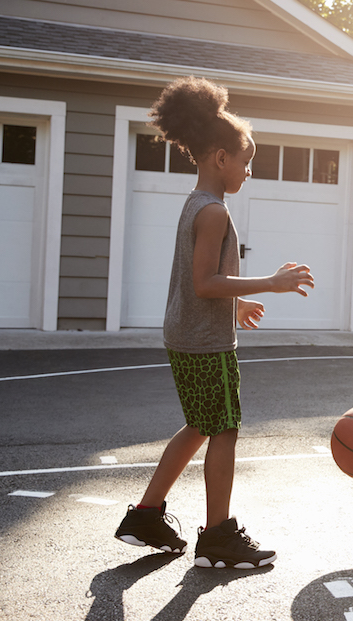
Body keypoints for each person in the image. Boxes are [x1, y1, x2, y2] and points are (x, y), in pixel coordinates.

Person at [114, 77, 314, 567]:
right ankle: (219, 536)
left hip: (188, 333)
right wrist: (269, 282)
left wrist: (237, 304)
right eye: (245, 161)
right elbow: (205, 282)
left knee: (201, 425)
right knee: (223, 430)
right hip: (203, 341)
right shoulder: (214, 213)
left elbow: (206, 281)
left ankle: (145, 514)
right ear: (220, 158)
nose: (248, 171)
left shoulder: (198, 204)